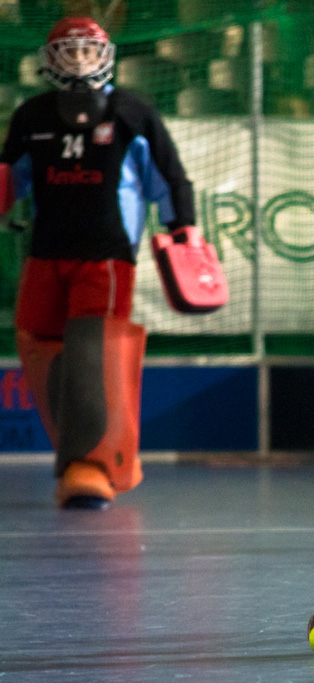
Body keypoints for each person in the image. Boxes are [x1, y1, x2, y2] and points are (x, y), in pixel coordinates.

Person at [0, 16, 196, 510]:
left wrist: (184, 233)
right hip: (45, 252)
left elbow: (170, 180)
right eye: (69, 51)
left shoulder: (134, 113)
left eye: (88, 51)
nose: (80, 60)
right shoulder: (31, 117)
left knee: (95, 350)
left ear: (106, 57)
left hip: (106, 258)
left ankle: (92, 466)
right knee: (36, 342)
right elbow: (9, 179)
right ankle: (89, 454)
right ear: (50, 61)